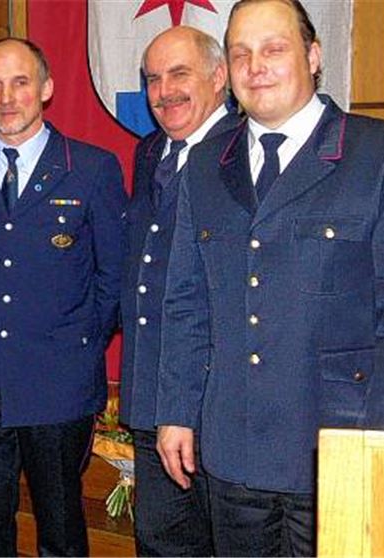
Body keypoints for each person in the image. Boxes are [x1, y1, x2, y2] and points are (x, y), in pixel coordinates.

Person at [156, 0, 384, 555]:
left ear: (313, 56)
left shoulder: (376, 154)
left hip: (340, 445)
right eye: (240, 53)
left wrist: (377, 439)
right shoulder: (207, 164)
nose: (255, 65)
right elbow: (186, 304)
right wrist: (176, 412)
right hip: (233, 447)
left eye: (273, 48)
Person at [0, 38, 127, 557]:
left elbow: (113, 275)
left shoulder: (92, 168)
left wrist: (79, 343)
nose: (7, 97)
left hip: (58, 381)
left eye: (20, 82)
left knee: (60, 527)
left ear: (45, 88)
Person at [120, 26, 237, 557]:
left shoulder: (245, 152)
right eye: (152, 78)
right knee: (161, 543)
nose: (164, 90)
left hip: (220, 404)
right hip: (152, 392)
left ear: (219, 76)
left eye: (179, 74)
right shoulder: (151, 154)